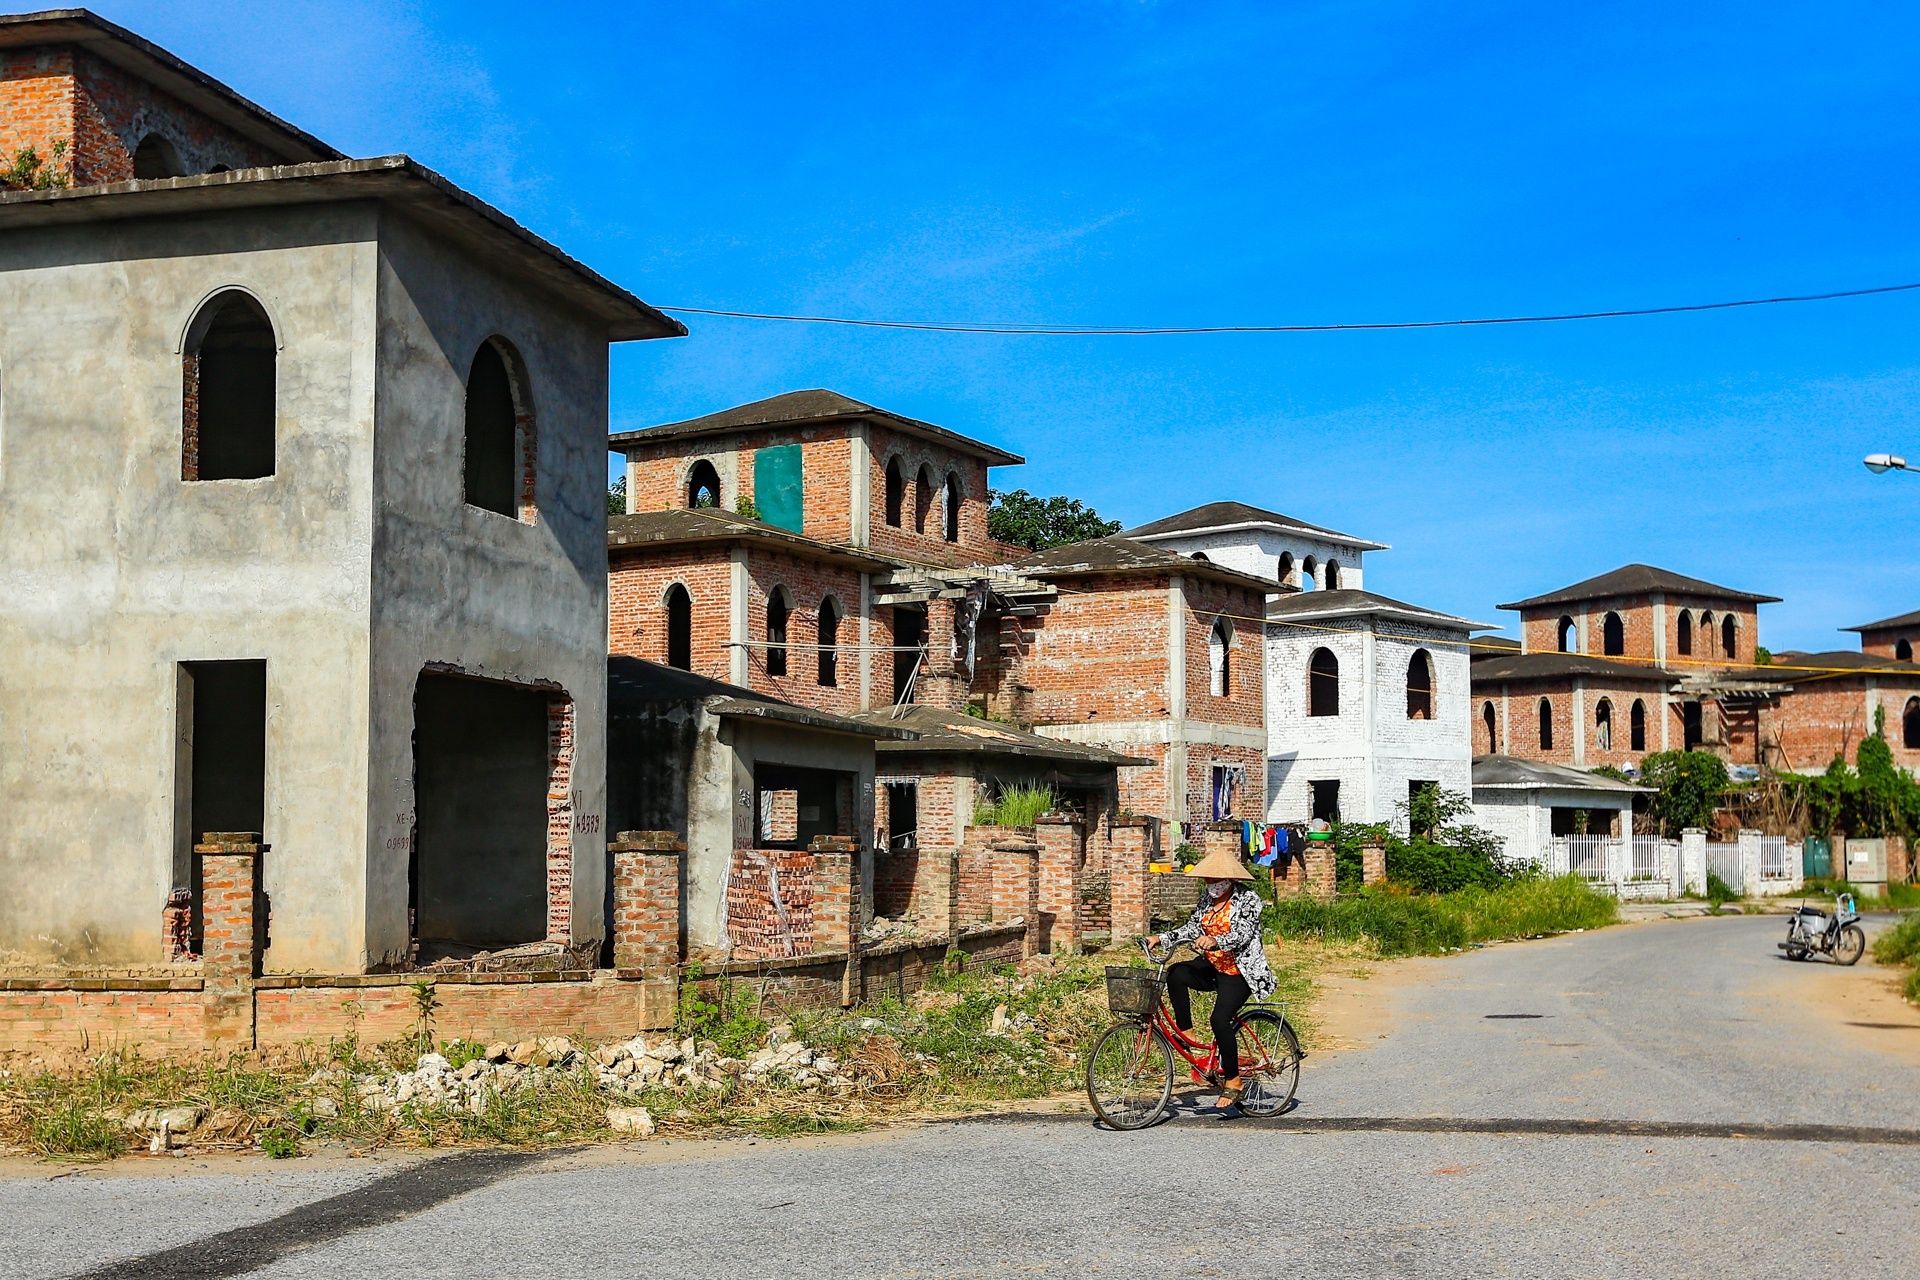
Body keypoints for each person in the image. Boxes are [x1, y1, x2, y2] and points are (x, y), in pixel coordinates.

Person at [1148, 846, 1275, 1114]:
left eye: (1215, 879)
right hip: (1214, 966)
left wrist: (1215, 940)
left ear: (1229, 879)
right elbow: (1192, 927)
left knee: (1219, 1019)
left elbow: (1242, 934)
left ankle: (1233, 1079)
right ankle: (1187, 1032)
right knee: (1176, 973)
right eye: (1207, 879)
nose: (1210, 884)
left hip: (1240, 971)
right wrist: (1161, 938)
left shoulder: (1249, 900)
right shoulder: (1207, 899)